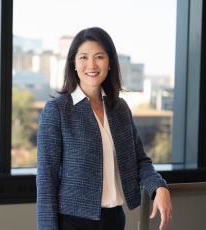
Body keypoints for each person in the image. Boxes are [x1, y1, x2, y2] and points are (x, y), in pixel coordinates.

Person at [36, 27, 172, 230]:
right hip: (73, 223)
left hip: (114, 220)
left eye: (99, 57)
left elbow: (139, 160)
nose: (91, 65)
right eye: (84, 57)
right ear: (74, 63)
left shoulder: (119, 109)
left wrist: (159, 187)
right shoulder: (57, 110)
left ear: (110, 63)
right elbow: (46, 180)